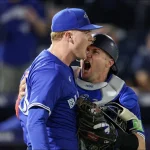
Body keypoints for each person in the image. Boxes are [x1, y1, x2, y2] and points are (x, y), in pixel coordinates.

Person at [17, 34, 145, 150]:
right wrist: (22, 98)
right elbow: (25, 114)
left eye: (95, 52)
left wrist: (115, 138)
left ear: (109, 62)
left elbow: (141, 145)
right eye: (87, 49)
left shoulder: (123, 94)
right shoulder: (59, 77)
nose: (88, 54)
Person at [15, 7, 102, 150]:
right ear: (69, 36)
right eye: (86, 32)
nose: (91, 38)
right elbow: (35, 121)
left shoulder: (57, 66)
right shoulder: (50, 71)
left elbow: (22, 112)